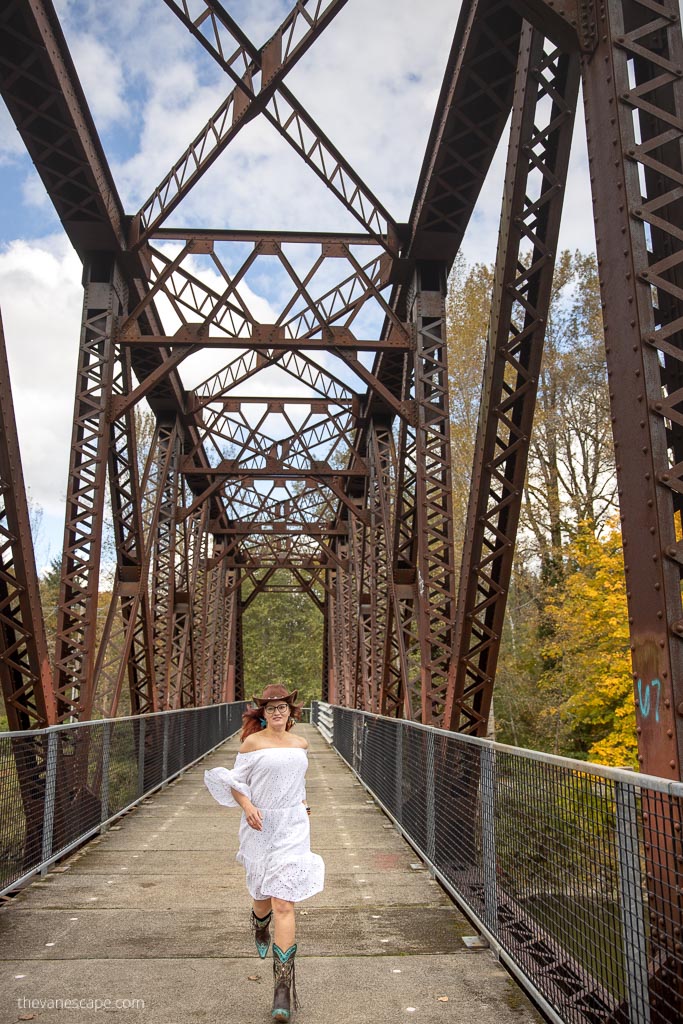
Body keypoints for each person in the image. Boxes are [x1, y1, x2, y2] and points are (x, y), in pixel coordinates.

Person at [204, 685, 324, 1022]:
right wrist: (248, 806)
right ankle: (259, 923)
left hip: (293, 826)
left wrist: (303, 805)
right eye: (270, 708)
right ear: (263, 713)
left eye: (282, 707)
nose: (277, 712)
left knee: (284, 900)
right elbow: (235, 783)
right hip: (260, 824)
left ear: (290, 711)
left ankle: (282, 989)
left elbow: (298, 782)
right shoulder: (252, 743)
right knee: (261, 894)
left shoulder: (300, 743)